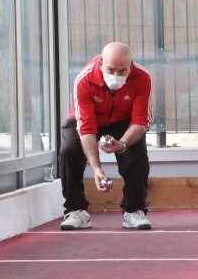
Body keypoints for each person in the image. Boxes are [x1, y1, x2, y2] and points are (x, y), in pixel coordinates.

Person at [59, 42, 153, 230]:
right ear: (101, 64)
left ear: (131, 65)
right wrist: (96, 169)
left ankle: (134, 211)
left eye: (122, 71)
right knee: (69, 150)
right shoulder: (84, 79)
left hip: (124, 120)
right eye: (111, 69)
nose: (116, 76)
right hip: (88, 118)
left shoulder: (142, 78)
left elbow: (141, 121)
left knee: (137, 154)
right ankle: (76, 210)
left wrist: (123, 144)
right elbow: (86, 128)